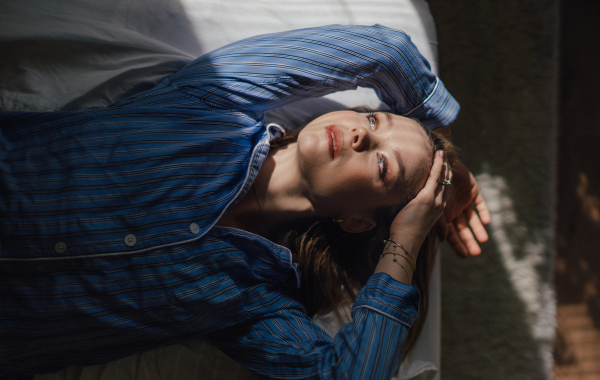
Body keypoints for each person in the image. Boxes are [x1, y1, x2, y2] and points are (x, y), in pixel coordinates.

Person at [0, 24, 488, 379]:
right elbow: (385, 51)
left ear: (357, 221)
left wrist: (405, 240)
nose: (363, 134)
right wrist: (443, 150)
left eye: (384, 167)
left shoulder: (254, 301)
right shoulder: (214, 104)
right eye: (376, 121)